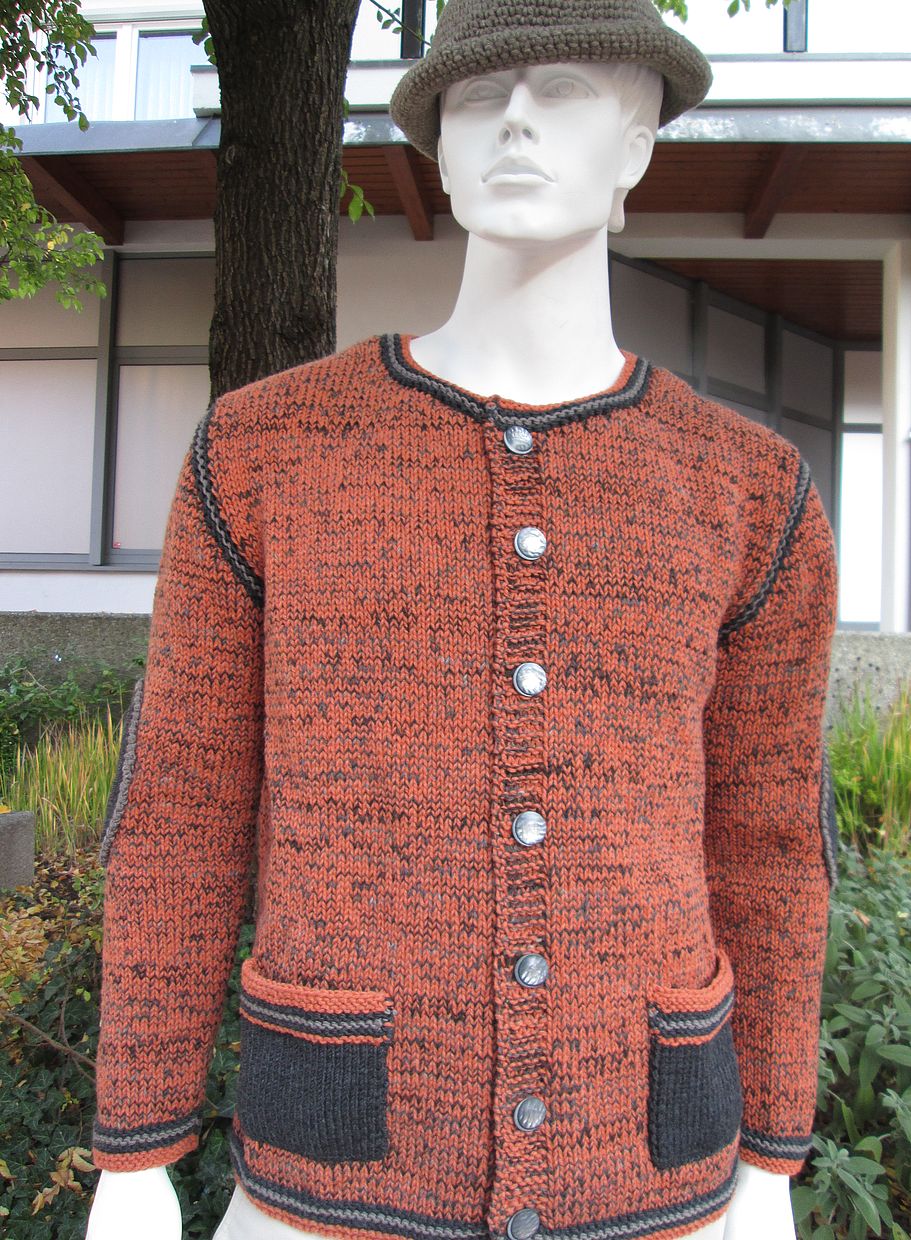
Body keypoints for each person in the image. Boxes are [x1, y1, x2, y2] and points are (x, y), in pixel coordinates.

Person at [85, 2, 840, 1239]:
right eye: (480, 95)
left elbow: (771, 842)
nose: (517, 121)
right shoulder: (268, 451)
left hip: (654, 1167)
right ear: (438, 147)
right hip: (331, 1171)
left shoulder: (748, 491)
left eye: (563, 88)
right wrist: (134, 1153)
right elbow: (181, 810)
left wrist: (770, 1157)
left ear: (640, 142)